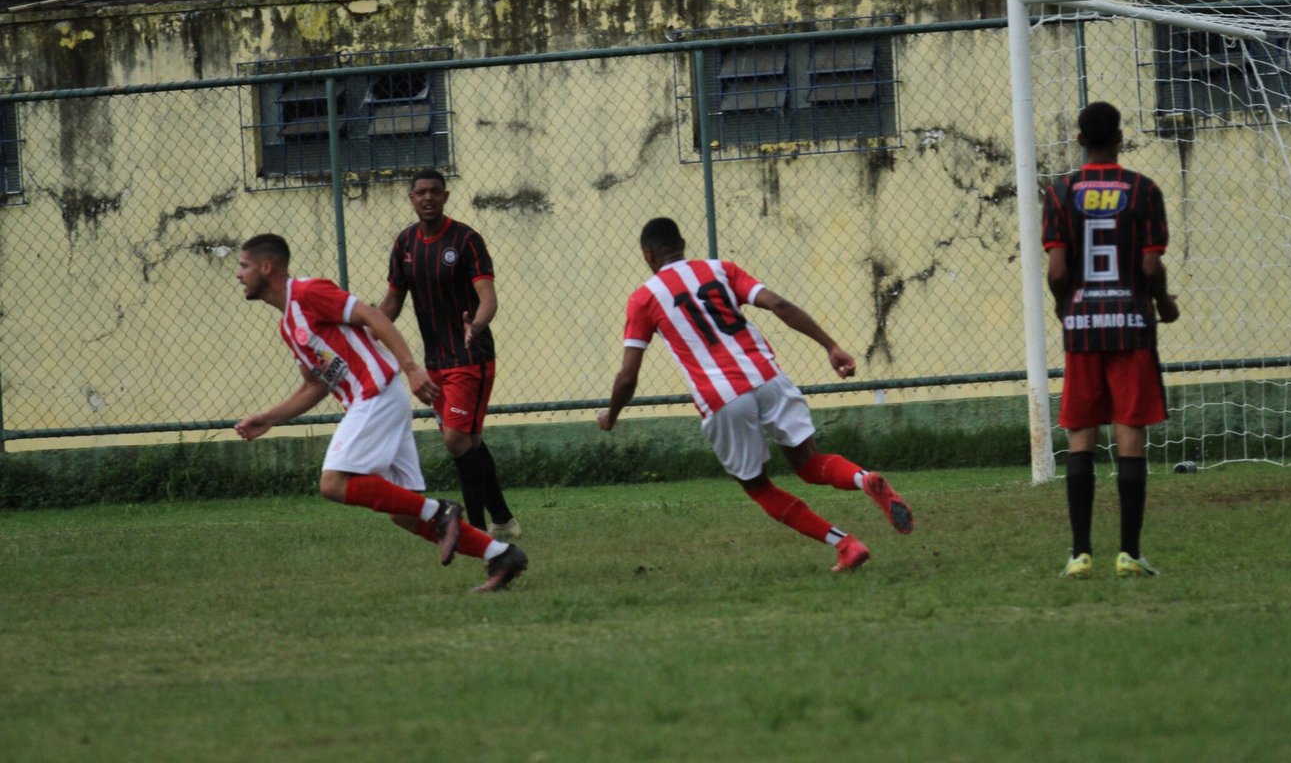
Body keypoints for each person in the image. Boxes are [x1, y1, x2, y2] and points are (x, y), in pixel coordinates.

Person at [597, 217, 913, 572]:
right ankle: (864, 478)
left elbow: (628, 376)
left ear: (647, 254)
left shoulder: (643, 299)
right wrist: (831, 347)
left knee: (758, 486)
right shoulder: (721, 269)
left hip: (722, 398)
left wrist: (612, 415)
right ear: (683, 244)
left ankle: (846, 544)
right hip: (767, 378)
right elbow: (778, 304)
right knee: (809, 463)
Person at [233, 233, 528, 593]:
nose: (239, 274)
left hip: (376, 394)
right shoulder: (288, 325)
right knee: (404, 513)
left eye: (244, 266)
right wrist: (269, 417)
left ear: (267, 266)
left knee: (333, 483)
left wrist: (412, 367)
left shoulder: (309, 293)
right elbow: (315, 385)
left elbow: (372, 316)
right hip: (376, 400)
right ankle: (501, 555)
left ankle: (441, 511)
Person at [1042, 101, 1180, 579]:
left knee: (1081, 433)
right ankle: (1129, 553)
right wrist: (1163, 303)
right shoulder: (1144, 190)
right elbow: (1149, 266)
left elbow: (1057, 271)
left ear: (1079, 140)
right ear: (1120, 138)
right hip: (1131, 327)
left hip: (1082, 330)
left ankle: (1079, 553)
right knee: (1129, 432)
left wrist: (1067, 308)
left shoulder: (1060, 192)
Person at [378, 169, 520, 544]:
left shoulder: (467, 239)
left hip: (470, 355)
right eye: (420, 192)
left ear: (445, 196)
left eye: (435, 192)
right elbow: (393, 301)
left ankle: (473, 529)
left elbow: (487, 296)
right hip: (435, 362)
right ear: (411, 198)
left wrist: (478, 322)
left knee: (457, 440)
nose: (428, 198)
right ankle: (502, 520)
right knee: (468, 444)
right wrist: (366, 332)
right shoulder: (405, 244)